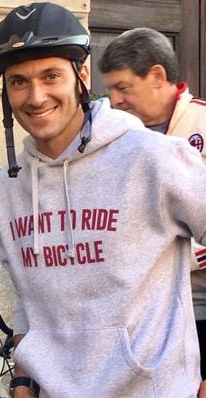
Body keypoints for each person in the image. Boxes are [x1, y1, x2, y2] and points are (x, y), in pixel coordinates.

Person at [0, 3, 206, 398]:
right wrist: (23, 385)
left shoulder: (152, 159)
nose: (35, 97)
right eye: (19, 82)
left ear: (81, 76)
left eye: (51, 76)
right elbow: (29, 300)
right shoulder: (8, 188)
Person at [99, 27, 206, 378]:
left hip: (199, 310)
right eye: (110, 90)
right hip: (140, 320)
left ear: (158, 76)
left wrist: (181, 256)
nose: (114, 100)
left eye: (123, 87)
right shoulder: (115, 139)